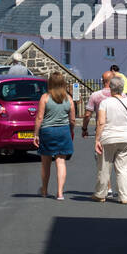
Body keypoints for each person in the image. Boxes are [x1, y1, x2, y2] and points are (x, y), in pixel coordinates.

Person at [93, 73, 127, 204]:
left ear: (111, 88)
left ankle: (100, 194)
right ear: (122, 88)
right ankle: (124, 197)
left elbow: (101, 123)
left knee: (104, 167)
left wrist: (97, 139)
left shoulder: (105, 103)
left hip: (108, 138)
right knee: (124, 169)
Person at [34, 71, 76, 200]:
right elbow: (73, 119)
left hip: (47, 131)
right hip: (63, 130)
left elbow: (40, 117)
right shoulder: (68, 99)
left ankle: (45, 190)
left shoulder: (45, 97)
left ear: (50, 83)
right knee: (61, 161)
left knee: (45, 163)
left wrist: (35, 134)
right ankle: (60, 193)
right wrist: (71, 130)